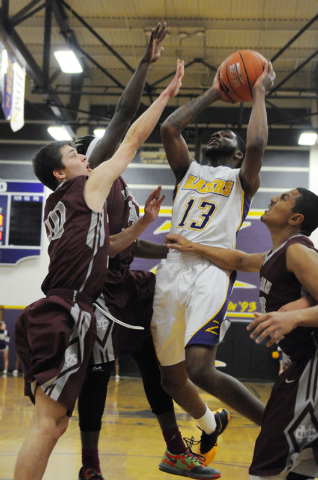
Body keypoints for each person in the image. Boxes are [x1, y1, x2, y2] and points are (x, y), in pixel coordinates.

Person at [13, 59, 184, 480]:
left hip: (62, 310)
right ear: (61, 172)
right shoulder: (82, 187)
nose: (85, 158)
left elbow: (107, 247)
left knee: (53, 424)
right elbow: (132, 136)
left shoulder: (65, 205)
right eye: (75, 155)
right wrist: (165, 94)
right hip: (67, 310)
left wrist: (144, 222)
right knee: (49, 425)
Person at [75, 25, 220, 479]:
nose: (106, 150)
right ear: (85, 158)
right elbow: (122, 115)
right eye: (90, 152)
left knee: (157, 367)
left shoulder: (117, 186)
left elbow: (130, 243)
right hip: (96, 292)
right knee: (97, 378)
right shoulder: (92, 176)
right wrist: (145, 63)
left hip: (126, 285)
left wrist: (177, 251)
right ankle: (90, 466)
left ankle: (176, 450)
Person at [150, 59, 276, 467]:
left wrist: (257, 92)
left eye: (229, 134)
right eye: (216, 131)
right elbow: (170, 128)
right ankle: (209, 424)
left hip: (210, 271)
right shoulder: (188, 171)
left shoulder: (242, 180)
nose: (220, 131)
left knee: (200, 369)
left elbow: (257, 146)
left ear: (237, 153)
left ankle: (276, 427)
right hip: (172, 269)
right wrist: (214, 92)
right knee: (173, 379)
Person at [165, 187, 318, 480]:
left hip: (312, 365)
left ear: (296, 218)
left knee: (267, 467)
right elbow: (238, 260)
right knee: (304, 464)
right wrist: (194, 247)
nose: (273, 198)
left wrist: (296, 317)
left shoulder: (298, 250)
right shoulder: (276, 255)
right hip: (300, 364)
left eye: (283, 199)